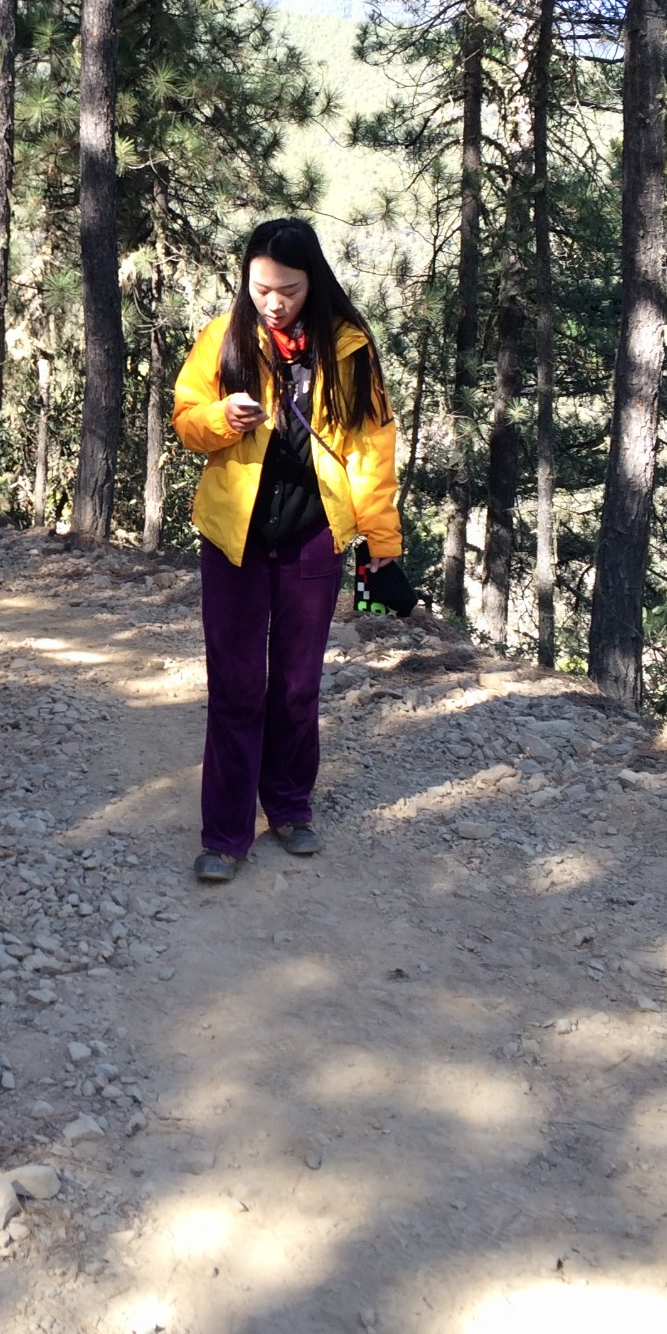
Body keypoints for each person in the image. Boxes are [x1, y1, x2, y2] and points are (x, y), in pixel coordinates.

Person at [171, 218, 402, 885]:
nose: (273, 301)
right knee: (237, 689)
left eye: (289, 289)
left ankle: (291, 807)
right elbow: (187, 420)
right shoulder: (223, 337)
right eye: (261, 286)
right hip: (233, 540)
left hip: (314, 538)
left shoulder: (349, 348)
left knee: (298, 688)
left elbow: (371, 450)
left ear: (314, 282)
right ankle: (224, 835)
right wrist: (222, 420)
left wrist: (381, 541)